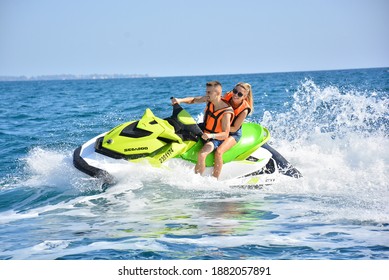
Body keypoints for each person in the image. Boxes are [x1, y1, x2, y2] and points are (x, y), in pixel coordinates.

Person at [171, 81, 234, 178]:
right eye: (206, 92)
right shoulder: (210, 100)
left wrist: (211, 136)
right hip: (205, 130)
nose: (206, 94)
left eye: (209, 92)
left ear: (217, 94)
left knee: (202, 154)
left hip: (216, 138)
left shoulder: (226, 112)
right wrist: (180, 100)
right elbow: (193, 100)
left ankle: (199, 179)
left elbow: (225, 134)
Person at [213, 82, 253, 177]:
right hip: (220, 128)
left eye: (240, 94)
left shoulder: (245, 109)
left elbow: (235, 128)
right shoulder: (227, 97)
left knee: (219, 152)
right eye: (235, 91)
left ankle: (214, 179)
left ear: (245, 96)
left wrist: (217, 128)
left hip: (234, 133)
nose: (235, 95)